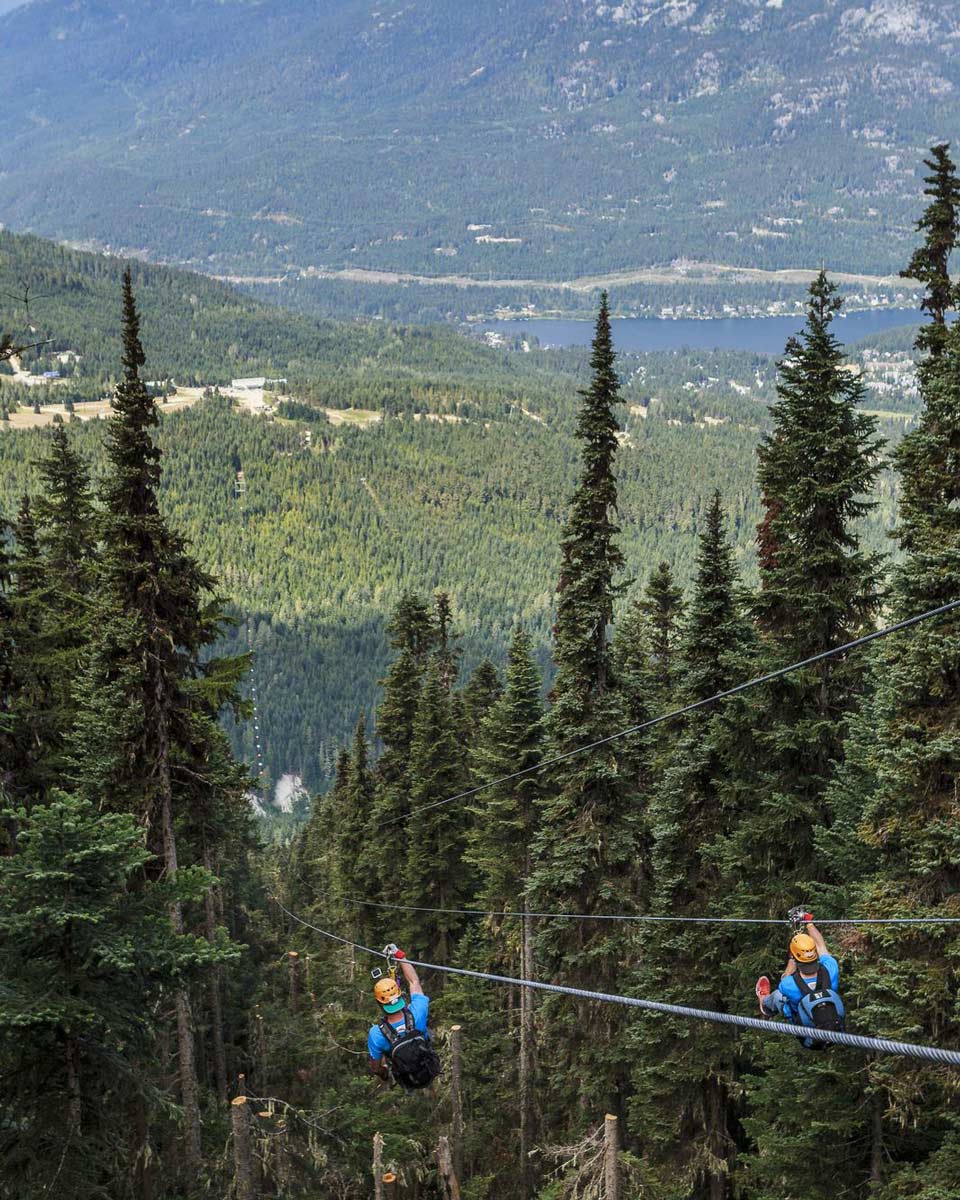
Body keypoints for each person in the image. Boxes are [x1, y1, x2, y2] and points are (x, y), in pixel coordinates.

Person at [755, 911, 845, 1048]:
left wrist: (792, 959)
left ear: (797, 960)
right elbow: (821, 946)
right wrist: (808, 923)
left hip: (808, 1040)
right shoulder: (831, 969)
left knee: (779, 996)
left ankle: (765, 1005)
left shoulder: (788, 984)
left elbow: (785, 977)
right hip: (837, 1034)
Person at [368, 946, 440, 1088]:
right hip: (429, 1067)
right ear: (400, 995)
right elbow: (414, 982)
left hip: (407, 1078)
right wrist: (400, 955)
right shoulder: (418, 1011)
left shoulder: (376, 1034)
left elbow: (375, 1067)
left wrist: (383, 1074)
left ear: (379, 1003)